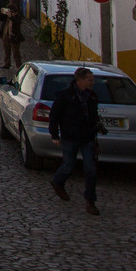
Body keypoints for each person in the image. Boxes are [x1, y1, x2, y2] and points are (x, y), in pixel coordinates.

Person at [49, 66, 107, 215]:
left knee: (91, 170)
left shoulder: (92, 96)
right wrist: (54, 135)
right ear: (80, 80)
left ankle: (90, 201)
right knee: (68, 166)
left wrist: (96, 131)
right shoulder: (64, 96)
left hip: (87, 138)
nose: (93, 82)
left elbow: (93, 116)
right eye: (90, 80)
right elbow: (54, 116)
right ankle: (58, 182)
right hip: (70, 137)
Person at [0, 0, 26, 70]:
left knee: (16, 53)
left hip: (14, 37)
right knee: (6, 51)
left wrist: (11, 17)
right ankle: (7, 63)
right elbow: (0, 19)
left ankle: (19, 66)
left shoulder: (17, 17)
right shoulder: (6, 17)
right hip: (5, 36)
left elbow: (17, 22)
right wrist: (2, 12)